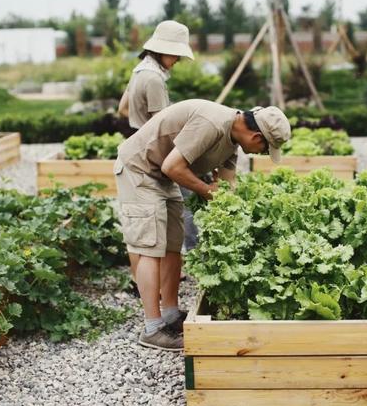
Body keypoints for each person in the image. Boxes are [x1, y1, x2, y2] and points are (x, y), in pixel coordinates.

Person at [114, 99, 291, 350]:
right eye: (266, 148)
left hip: (163, 176)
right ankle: (152, 329)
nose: (263, 154)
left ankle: (171, 315)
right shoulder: (212, 123)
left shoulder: (232, 142)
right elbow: (172, 166)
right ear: (255, 136)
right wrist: (208, 191)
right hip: (140, 168)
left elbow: (228, 187)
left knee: (173, 245)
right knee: (151, 247)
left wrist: (234, 217)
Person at [117, 20, 200, 292]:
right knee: (161, 220)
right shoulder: (153, 79)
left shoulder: (140, 70)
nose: (176, 60)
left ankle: (139, 279)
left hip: (135, 146)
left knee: (139, 225)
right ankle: (163, 279)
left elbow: (122, 108)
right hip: (151, 156)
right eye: (175, 54)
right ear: (162, 50)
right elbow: (164, 128)